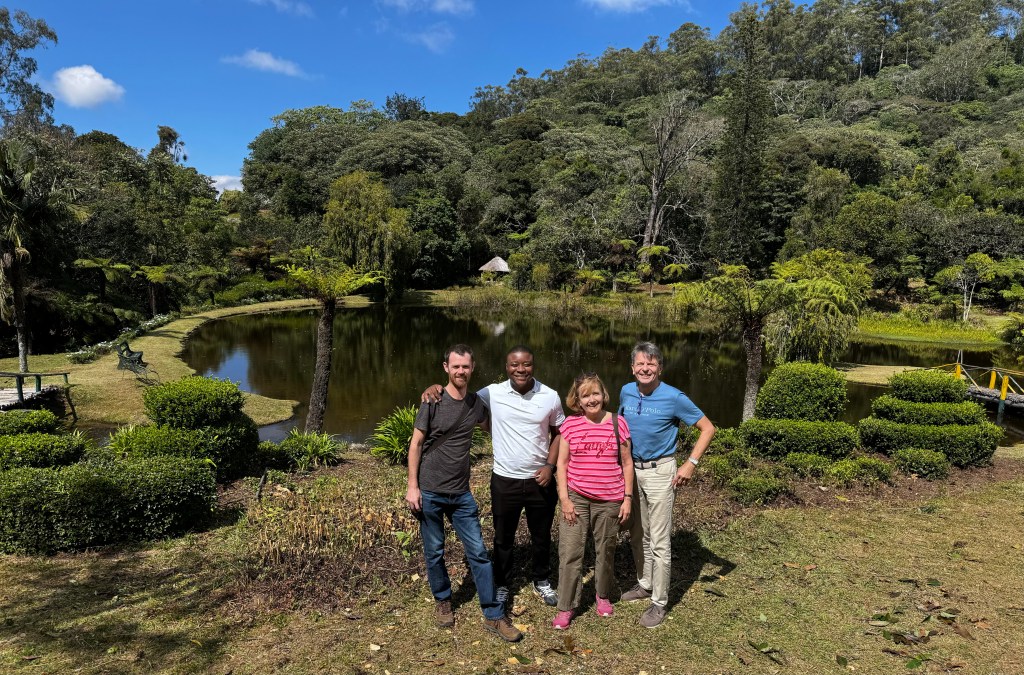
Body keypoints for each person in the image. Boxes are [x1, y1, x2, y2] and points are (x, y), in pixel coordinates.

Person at [423, 345, 565, 611]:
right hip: (504, 479)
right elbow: (458, 392)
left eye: (526, 364)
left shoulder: (550, 396)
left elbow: (559, 433)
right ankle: (502, 583)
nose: (520, 369)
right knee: (502, 538)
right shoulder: (491, 393)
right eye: (514, 364)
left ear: (533, 365)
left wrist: (550, 466)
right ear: (506, 367)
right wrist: (436, 387)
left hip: (540, 479)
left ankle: (542, 579)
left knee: (541, 535)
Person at [406, 344, 523, 643]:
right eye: (456, 366)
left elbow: (493, 426)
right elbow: (416, 444)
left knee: (479, 554)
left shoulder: (476, 404)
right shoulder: (432, 400)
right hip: (430, 490)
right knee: (434, 551)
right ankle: (443, 599)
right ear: (446, 367)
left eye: (465, 367)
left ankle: (493, 614)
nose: (461, 371)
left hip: (461, 494)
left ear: (472, 368)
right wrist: (412, 487)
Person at [619, 341, 715, 629]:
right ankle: (645, 583)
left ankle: (659, 602)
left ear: (660, 368)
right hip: (632, 472)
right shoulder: (626, 391)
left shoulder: (674, 397)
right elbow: (621, 429)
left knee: (659, 540)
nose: (645, 368)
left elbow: (708, 428)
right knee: (639, 533)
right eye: (640, 363)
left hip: (660, 472)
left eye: (651, 364)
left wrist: (690, 464)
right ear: (632, 367)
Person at [551, 373, 634, 630]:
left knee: (606, 550)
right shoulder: (570, 425)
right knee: (570, 553)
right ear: (577, 400)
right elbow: (561, 464)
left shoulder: (618, 423)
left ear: (603, 394)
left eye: (595, 393)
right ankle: (566, 605)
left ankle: (602, 595)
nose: (591, 399)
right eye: (585, 395)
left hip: (610, 499)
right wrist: (565, 499)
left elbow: (627, 463)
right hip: (576, 498)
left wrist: (627, 498)